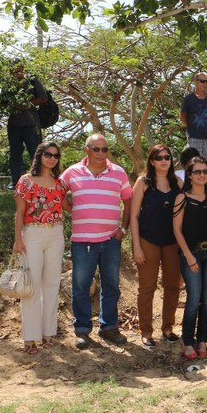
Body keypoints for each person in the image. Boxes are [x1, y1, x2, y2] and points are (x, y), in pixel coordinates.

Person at [61, 134, 133, 349]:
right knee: (81, 287)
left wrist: (123, 228)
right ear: (87, 150)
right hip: (82, 241)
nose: (101, 154)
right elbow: (57, 191)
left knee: (111, 286)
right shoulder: (72, 172)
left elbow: (128, 200)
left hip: (111, 240)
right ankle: (82, 330)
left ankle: (109, 327)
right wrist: (70, 208)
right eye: (96, 149)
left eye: (104, 149)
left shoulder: (118, 172)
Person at [12, 141, 68, 355]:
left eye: (55, 155)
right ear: (39, 155)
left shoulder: (59, 183)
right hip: (32, 233)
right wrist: (18, 239)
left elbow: (68, 208)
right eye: (48, 154)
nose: (52, 158)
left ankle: (48, 333)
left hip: (56, 233)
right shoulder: (26, 181)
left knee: (52, 284)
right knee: (31, 286)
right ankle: (30, 337)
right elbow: (19, 212)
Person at [173, 156, 207, 358]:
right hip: (191, 254)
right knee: (193, 299)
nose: (202, 175)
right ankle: (188, 342)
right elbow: (176, 230)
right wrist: (188, 256)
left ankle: (203, 341)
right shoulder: (182, 198)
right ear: (189, 175)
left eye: (205, 171)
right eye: (197, 172)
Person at [130, 144, 183, 347]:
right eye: (159, 157)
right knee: (147, 287)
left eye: (167, 157)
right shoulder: (143, 182)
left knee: (172, 286)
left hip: (172, 242)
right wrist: (136, 246)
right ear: (152, 161)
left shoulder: (177, 182)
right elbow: (134, 216)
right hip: (147, 241)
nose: (164, 161)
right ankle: (146, 332)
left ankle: (168, 328)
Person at [4, 62, 48, 188]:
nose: (17, 71)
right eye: (14, 69)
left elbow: (43, 97)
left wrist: (27, 104)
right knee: (15, 154)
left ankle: (39, 180)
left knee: (36, 153)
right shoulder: (7, 83)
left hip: (31, 124)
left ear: (23, 69)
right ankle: (16, 182)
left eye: (19, 69)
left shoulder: (32, 80)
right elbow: (2, 101)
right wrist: (11, 105)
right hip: (14, 124)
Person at [180, 71, 207, 158]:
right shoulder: (188, 99)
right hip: (194, 138)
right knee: (194, 163)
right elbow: (182, 116)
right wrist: (192, 127)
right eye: (202, 81)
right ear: (195, 82)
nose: (205, 84)